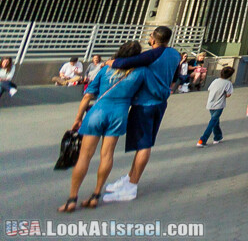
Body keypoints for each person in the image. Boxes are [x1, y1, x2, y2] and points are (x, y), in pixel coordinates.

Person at [59, 41, 148, 212]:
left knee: (84, 156)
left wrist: (78, 118)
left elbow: (87, 95)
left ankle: (72, 198)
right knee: (107, 155)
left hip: (98, 111)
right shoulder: (141, 72)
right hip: (119, 114)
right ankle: (96, 195)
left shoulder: (105, 69)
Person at [102, 25, 182, 203]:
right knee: (143, 143)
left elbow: (126, 63)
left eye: (151, 36)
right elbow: (177, 76)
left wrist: (111, 63)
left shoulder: (154, 53)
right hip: (160, 103)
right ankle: (130, 178)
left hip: (145, 103)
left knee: (143, 144)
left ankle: (131, 186)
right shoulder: (175, 55)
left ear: (154, 38)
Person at [198, 66, 235, 147]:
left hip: (210, 104)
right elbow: (228, 94)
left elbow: (209, 89)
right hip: (219, 105)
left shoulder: (215, 81)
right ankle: (203, 139)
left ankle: (218, 137)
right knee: (213, 122)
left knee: (215, 121)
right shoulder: (228, 83)